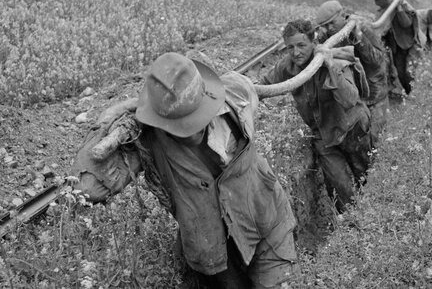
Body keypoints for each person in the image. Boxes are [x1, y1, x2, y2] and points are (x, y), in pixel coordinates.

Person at [72, 52, 297, 289]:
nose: (191, 131)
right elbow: (86, 188)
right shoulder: (149, 138)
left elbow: (245, 85)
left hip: (266, 222)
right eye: (179, 126)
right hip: (212, 245)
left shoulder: (234, 94)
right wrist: (121, 116)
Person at [260, 19, 373, 213]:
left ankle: (371, 220)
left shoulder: (336, 60)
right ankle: (351, 226)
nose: (296, 52)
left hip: (353, 129)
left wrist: (329, 65)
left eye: (301, 45)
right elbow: (264, 85)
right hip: (324, 137)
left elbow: (349, 99)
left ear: (313, 41)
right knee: (342, 189)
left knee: (365, 179)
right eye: (290, 47)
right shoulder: (287, 66)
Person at [315, 0, 390, 143]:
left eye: (332, 22)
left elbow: (377, 60)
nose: (329, 28)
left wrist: (358, 38)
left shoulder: (363, 28)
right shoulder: (327, 37)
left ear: (342, 15)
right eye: (325, 25)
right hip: (353, 96)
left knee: (376, 136)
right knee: (359, 139)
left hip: (375, 92)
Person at [371, 0, 423, 96]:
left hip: (408, 44)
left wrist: (398, 8)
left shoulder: (400, 6)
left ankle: (415, 93)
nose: (375, 2)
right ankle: (409, 93)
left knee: (410, 73)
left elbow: (406, 23)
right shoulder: (381, 13)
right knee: (400, 73)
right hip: (396, 48)